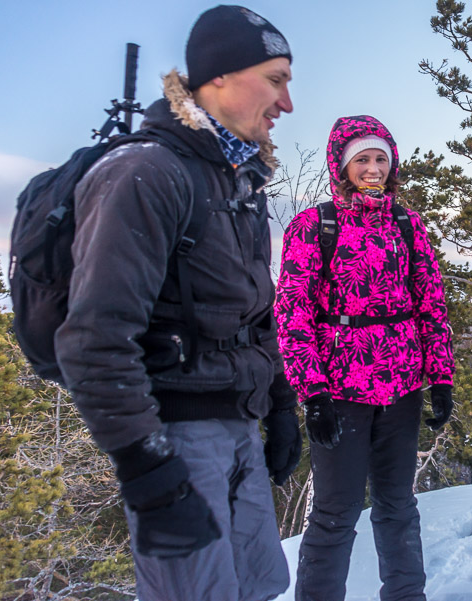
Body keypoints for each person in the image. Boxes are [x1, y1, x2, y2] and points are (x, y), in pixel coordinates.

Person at [55, 6, 300, 601]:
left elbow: (255, 306)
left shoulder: (238, 179)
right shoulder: (145, 173)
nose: (286, 103)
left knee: (259, 586)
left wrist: (281, 403)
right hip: (179, 440)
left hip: (238, 424)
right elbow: (96, 340)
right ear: (218, 77)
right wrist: (148, 469)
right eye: (275, 79)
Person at [275, 115, 455, 601]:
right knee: (335, 511)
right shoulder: (314, 225)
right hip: (340, 389)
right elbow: (293, 311)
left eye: (380, 158)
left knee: (398, 505)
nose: (373, 168)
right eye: (363, 159)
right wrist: (311, 392)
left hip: (401, 384)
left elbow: (430, 301)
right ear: (343, 164)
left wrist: (440, 376)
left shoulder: (407, 223)